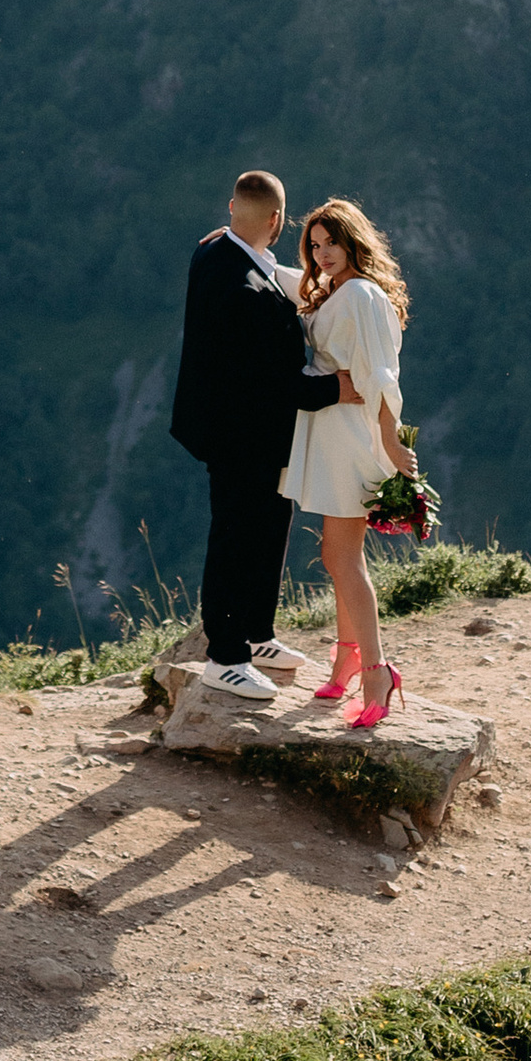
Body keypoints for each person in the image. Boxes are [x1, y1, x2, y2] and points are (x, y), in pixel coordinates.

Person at [168, 168, 349, 700]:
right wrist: (336, 389)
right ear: (276, 220)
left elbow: (269, 272)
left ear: (232, 209)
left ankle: (257, 632)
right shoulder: (244, 288)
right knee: (235, 535)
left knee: (271, 522)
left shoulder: (215, 252)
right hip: (238, 435)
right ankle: (225, 656)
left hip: (243, 428)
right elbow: (273, 382)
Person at [279, 196, 419, 729]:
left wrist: (389, 440)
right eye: (314, 246)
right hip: (332, 433)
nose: (322, 253)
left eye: (331, 242)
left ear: (352, 240)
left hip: (352, 437)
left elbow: (381, 374)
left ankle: (377, 669)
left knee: (344, 558)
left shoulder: (359, 294)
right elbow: (289, 279)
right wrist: (236, 245)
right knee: (337, 554)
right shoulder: (340, 288)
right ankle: (347, 657)